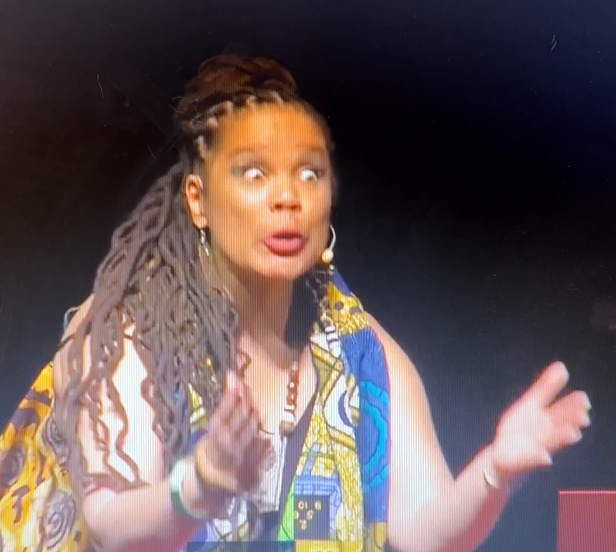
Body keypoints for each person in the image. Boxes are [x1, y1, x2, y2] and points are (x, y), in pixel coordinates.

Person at [0, 54, 591, 552]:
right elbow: (112, 523)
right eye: (253, 174)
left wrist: (495, 471)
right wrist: (195, 489)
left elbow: (424, 531)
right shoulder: (132, 328)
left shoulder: (358, 349)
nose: (285, 197)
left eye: (306, 174)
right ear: (198, 201)